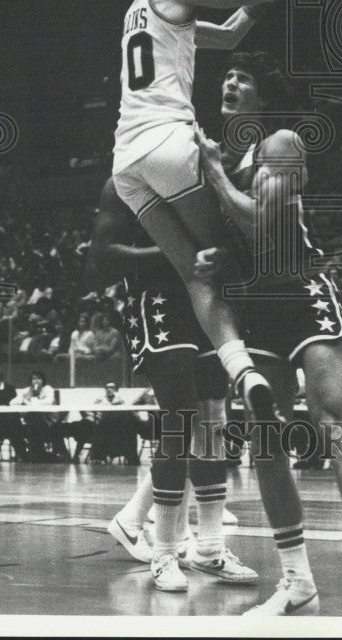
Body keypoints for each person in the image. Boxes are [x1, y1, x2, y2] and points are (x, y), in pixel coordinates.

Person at [109, 0, 342, 421]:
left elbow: (227, 33)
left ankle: (241, 370)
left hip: (126, 161)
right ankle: (266, 361)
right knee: (232, 252)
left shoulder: (137, 14)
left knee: (195, 274)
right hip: (168, 141)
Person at [195, 51, 342, 617]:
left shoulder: (280, 143)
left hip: (300, 292)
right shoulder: (228, 161)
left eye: (244, 78)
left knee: (333, 422)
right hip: (254, 305)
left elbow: (263, 220)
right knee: (264, 437)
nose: (230, 83)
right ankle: (296, 580)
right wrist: (218, 255)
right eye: (227, 76)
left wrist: (212, 174)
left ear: (261, 98)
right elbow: (241, 237)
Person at [88, 177, 258, 593]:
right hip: (156, 301)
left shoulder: (203, 178)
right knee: (179, 421)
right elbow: (103, 256)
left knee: (214, 422)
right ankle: (164, 552)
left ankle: (210, 547)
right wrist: (177, 255)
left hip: (206, 297)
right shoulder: (123, 182)